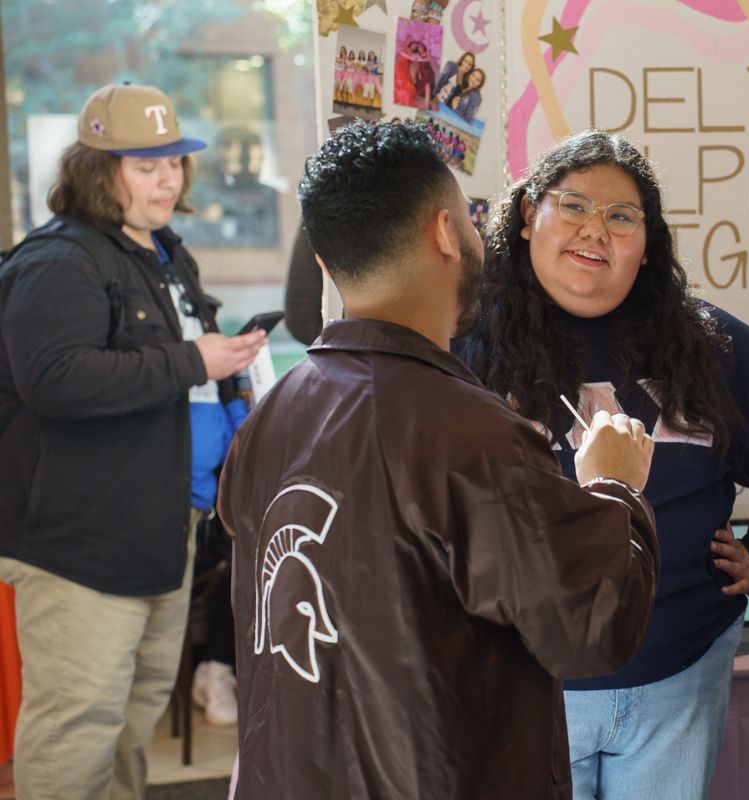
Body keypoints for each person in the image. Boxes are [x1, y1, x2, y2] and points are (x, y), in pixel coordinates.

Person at [217, 119, 660, 799]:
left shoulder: (269, 420)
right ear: (447, 234)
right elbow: (589, 628)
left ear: (324, 264)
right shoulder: (470, 434)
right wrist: (613, 487)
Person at [460, 129, 749, 800]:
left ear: (647, 247)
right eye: (574, 206)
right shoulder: (466, 346)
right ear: (529, 214)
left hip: (679, 675)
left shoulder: (710, 346)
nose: (596, 231)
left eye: (622, 218)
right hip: (520, 682)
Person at [0, 83, 266, 799]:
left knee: (133, 719)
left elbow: (191, 370)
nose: (168, 178)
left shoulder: (165, 255)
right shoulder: (59, 260)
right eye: (145, 165)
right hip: (81, 544)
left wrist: (234, 379)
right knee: (76, 726)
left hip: (162, 531)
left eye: (174, 162)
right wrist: (195, 361)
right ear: (98, 170)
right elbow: (54, 378)